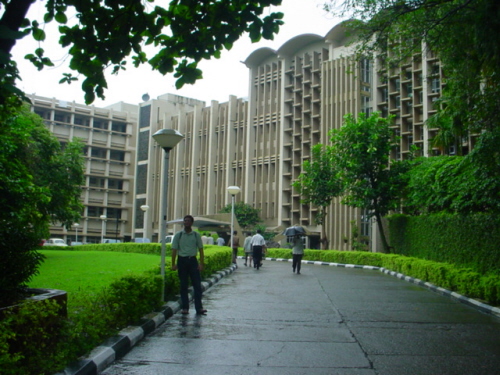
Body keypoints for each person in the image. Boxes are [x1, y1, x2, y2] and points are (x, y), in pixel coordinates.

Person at [171, 215, 207, 315]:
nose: (186, 222)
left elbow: (201, 250)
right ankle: (185, 308)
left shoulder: (196, 235)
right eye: (185, 221)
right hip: (182, 261)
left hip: (193, 261)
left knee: (197, 285)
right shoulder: (179, 235)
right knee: (183, 285)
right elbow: (174, 250)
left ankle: (199, 308)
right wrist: (173, 264)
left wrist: (201, 263)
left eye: (188, 221)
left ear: (192, 223)